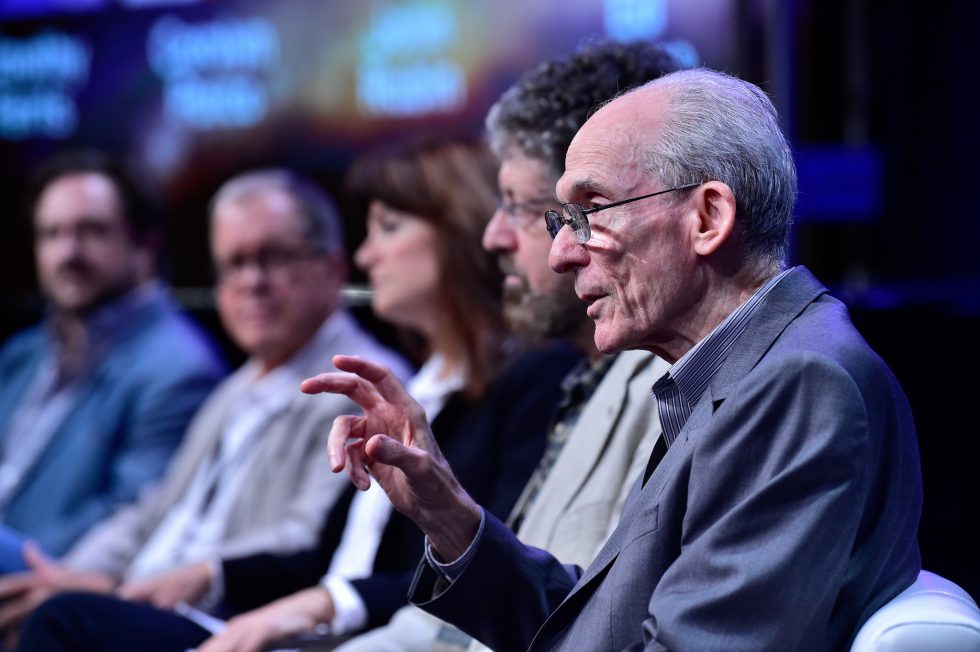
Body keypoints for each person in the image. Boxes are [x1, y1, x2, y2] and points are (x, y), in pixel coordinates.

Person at [303, 68, 923, 651]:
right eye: (559, 221)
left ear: (707, 217)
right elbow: (603, 628)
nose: (561, 255)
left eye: (589, 213)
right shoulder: (745, 370)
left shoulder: (797, 384)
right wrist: (449, 517)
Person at [17, 137, 580, 652]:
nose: (365, 257)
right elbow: (319, 555)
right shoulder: (426, 386)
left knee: (65, 622)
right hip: (299, 620)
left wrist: (314, 600)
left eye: (387, 228)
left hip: (355, 633)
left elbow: (485, 556)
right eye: (234, 265)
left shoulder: (376, 379)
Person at [334, 39, 679, 652]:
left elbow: (584, 624)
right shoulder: (594, 374)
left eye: (522, 208)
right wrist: (444, 513)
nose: (492, 236)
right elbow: (535, 609)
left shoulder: (686, 388)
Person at [0, 169, 411, 639]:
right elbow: (152, 511)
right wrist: (67, 575)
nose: (252, 281)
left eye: (273, 258)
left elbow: (307, 537)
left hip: (223, 618)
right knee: (51, 604)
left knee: (62, 619)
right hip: (145, 597)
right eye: (233, 264)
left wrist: (117, 587)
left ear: (333, 269)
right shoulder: (237, 387)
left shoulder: (359, 383)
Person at [0, 151, 225, 565]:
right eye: (50, 234)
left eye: (91, 231)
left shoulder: (176, 368)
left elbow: (132, 516)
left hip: (52, 583)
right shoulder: (22, 354)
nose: (67, 253)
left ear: (144, 244)